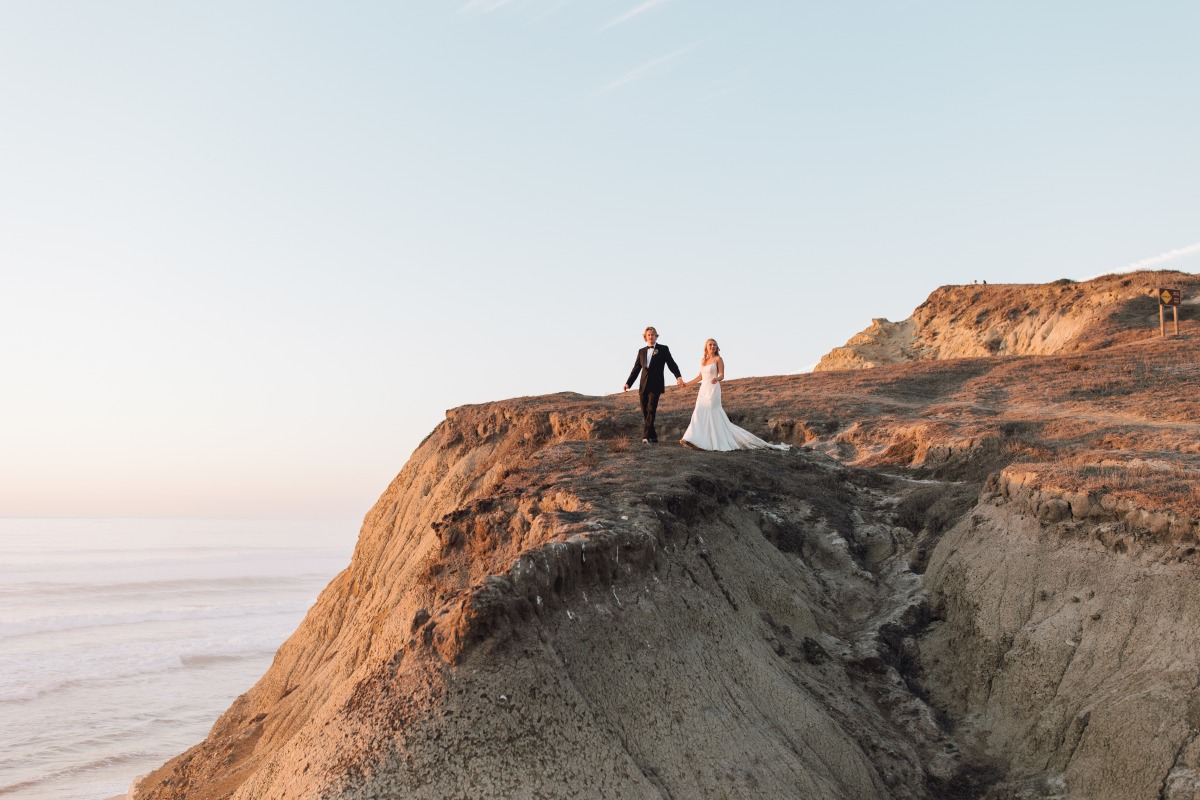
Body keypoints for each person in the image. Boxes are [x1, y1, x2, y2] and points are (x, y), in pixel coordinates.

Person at [679, 339, 788, 452]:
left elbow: (722, 375)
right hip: (703, 390)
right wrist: (687, 384)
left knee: (712, 412)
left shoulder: (718, 359)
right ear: (706, 347)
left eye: (714, 345)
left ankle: (714, 442)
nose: (712, 346)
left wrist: (717, 378)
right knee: (699, 412)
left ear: (717, 347)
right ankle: (693, 439)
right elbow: (700, 377)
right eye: (710, 345)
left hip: (713, 389)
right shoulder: (704, 361)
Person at [623, 326, 684, 443]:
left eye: (653, 334)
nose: (651, 337)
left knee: (651, 409)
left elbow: (671, 364)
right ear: (645, 337)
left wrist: (678, 377)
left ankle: (645, 437)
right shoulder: (641, 351)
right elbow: (636, 369)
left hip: (656, 385)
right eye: (649, 335)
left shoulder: (663, 349)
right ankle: (654, 436)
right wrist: (628, 383)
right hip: (643, 385)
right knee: (645, 411)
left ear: (656, 336)